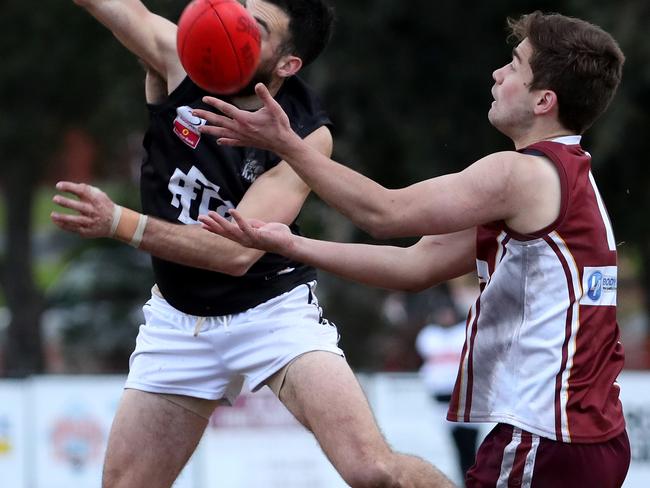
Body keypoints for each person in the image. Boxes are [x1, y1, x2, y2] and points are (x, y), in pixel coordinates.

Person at [196, 11, 631, 487]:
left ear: (544, 100)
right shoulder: (567, 178)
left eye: (514, 64)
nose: (497, 73)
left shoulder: (521, 174)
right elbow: (414, 264)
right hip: (588, 437)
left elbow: (386, 213)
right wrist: (293, 244)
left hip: (547, 437)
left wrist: (289, 145)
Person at [51, 1, 453, 487]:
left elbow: (234, 253)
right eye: (240, 10)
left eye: (254, 27)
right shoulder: (182, 58)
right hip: (178, 321)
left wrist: (118, 222)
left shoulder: (306, 133)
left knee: (374, 472)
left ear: (287, 64)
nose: (235, 25)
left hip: (269, 311)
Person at [415, 302, 480, 485]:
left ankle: (471, 480)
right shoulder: (430, 336)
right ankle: (465, 480)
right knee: (456, 448)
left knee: (470, 446)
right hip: (441, 402)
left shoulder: (462, 333)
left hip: (465, 399)